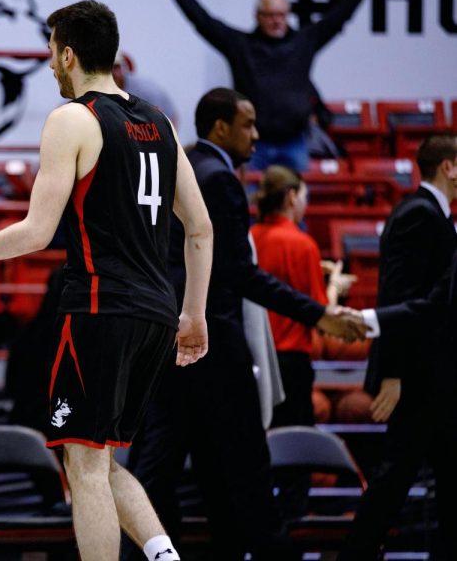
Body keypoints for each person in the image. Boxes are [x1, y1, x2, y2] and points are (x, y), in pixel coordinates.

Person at [0, 0, 214, 561]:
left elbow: (37, 232)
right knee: (93, 456)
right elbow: (200, 227)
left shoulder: (73, 118)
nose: (49, 64)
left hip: (101, 305)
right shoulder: (162, 123)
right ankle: (164, 554)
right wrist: (193, 314)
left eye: (51, 51)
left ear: (68, 53)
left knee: (87, 464)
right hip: (155, 313)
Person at [127, 87, 366, 561]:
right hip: (210, 341)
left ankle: (146, 551)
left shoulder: (187, 166)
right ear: (221, 127)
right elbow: (239, 273)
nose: (257, 135)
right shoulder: (219, 179)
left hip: (168, 338)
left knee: (176, 463)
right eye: (248, 124)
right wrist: (319, 314)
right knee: (246, 471)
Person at [340, 134, 457, 559]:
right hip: (420, 378)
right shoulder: (420, 215)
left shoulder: (431, 214)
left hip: (433, 378)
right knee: (393, 480)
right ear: (449, 167)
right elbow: (397, 295)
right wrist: (392, 373)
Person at [152, 0, 383, 171]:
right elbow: (203, 21)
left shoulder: (304, 42)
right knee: (248, 210)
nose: (276, 20)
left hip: (295, 143)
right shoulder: (240, 45)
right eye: (270, 15)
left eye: (281, 14)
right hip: (251, 145)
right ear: (257, 16)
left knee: (294, 209)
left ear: (288, 14)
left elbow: (341, 14)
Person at [251, 165, 354, 429]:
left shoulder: (250, 238)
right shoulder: (303, 244)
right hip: (291, 364)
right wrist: (335, 286)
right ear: (291, 197)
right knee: (293, 449)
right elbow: (323, 312)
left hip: (254, 357)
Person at [112, 51, 177, 124]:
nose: (112, 73)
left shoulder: (144, 91)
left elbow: (164, 117)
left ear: (124, 68)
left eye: (115, 67)